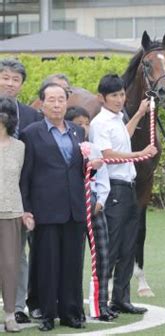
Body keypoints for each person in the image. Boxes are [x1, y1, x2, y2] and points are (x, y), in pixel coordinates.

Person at [20, 83, 100, 332]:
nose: (57, 105)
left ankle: (72, 313)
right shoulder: (31, 133)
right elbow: (25, 176)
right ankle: (46, 313)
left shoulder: (78, 131)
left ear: (67, 103)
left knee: (72, 263)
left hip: (75, 208)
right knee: (46, 263)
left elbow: (80, 170)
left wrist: (92, 165)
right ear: (41, 104)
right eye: (51, 100)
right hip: (45, 210)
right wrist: (27, 209)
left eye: (61, 100)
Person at [89, 74, 157, 315]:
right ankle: (101, 302)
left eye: (121, 95)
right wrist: (142, 153)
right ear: (102, 98)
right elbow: (107, 155)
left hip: (127, 187)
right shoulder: (100, 123)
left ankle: (121, 299)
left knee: (128, 246)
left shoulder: (118, 119)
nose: (119, 100)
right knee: (113, 247)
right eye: (114, 96)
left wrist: (138, 114)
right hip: (114, 187)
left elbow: (122, 140)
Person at [0, 58, 42, 324]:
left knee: (18, 256)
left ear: (22, 84)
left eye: (15, 79)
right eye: (5, 77)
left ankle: (17, 307)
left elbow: (33, 166)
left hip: (20, 199)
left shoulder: (31, 116)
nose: (9, 83)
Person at [65, 106, 115, 322]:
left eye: (86, 123)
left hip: (93, 204)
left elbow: (103, 178)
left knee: (103, 255)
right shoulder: (66, 147)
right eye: (78, 123)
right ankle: (68, 304)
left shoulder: (93, 148)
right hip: (74, 205)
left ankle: (100, 304)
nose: (83, 127)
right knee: (73, 257)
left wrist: (101, 201)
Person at [0, 95, 30, 333]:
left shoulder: (20, 147)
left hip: (11, 212)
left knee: (10, 265)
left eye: (5, 113)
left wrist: (26, 212)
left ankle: (10, 314)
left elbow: (25, 182)